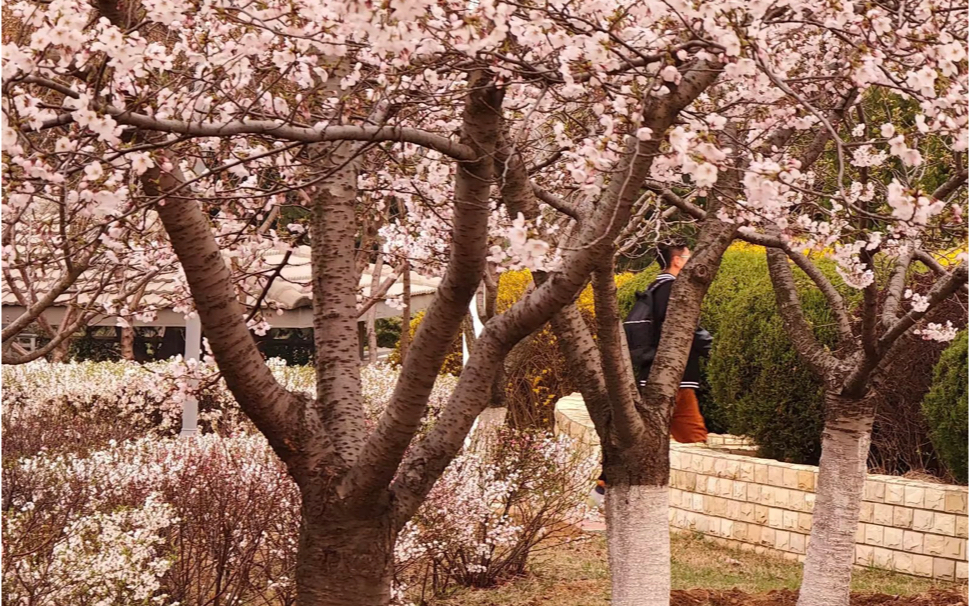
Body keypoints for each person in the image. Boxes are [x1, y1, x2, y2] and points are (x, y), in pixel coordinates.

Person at [592, 240, 712, 502]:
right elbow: (683, 327)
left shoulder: (656, 287)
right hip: (675, 375)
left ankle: (604, 485)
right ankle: (609, 488)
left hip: (656, 372)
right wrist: (709, 344)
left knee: (648, 434)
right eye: (688, 255)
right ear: (677, 260)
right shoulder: (672, 288)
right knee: (692, 434)